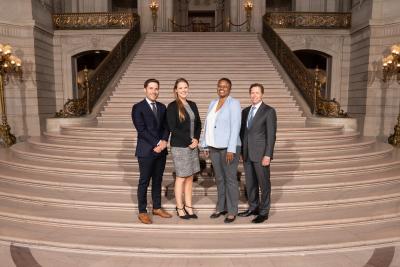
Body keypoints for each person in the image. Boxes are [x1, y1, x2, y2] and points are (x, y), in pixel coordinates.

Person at [131, 78, 172, 224]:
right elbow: (141, 130)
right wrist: (157, 142)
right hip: (146, 151)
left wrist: (164, 142)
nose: (154, 91)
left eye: (156, 89)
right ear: (145, 89)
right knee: (144, 181)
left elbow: (166, 127)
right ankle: (142, 211)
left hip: (161, 150)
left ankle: (157, 207)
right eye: (151, 88)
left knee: (158, 180)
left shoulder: (162, 107)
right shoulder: (138, 107)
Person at [201, 78, 241, 223]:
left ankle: (232, 211)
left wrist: (231, 148)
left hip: (229, 148)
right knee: (219, 179)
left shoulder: (234, 103)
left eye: (225, 86)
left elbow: (235, 126)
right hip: (214, 147)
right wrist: (204, 144)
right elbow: (208, 124)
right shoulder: (213, 103)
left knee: (230, 179)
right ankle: (221, 206)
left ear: (230, 89)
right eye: (220, 86)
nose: (222, 88)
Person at [238, 83, 277, 223]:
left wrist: (268, 154)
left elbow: (271, 136)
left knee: (263, 183)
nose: (254, 95)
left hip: (261, 155)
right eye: (252, 93)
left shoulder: (269, 111)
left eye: (257, 93)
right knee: (250, 183)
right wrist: (242, 151)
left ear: (262, 94)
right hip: (247, 154)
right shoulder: (245, 111)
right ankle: (253, 207)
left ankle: (264, 211)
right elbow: (243, 133)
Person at [167, 78, 201, 219]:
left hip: (192, 146)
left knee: (190, 177)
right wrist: (189, 141)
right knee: (181, 177)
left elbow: (199, 123)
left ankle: (189, 206)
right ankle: (180, 207)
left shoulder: (192, 104)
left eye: (185, 87)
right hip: (180, 146)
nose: (183, 90)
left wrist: (197, 139)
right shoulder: (172, 106)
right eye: (180, 88)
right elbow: (173, 128)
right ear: (176, 90)